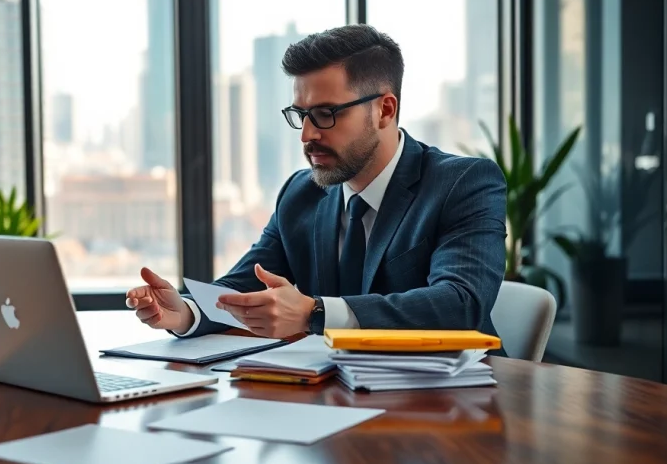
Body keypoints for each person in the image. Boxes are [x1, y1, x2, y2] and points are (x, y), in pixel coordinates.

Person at [125, 24, 507, 352]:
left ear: (385, 110)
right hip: (332, 400)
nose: (307, 134)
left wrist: (314, 313)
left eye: (326, 114)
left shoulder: (463, 184)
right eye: (301, 115)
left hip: (453, 405)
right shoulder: (301, 193)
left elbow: (461, 303)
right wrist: (188, 311)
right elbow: (244, 286)